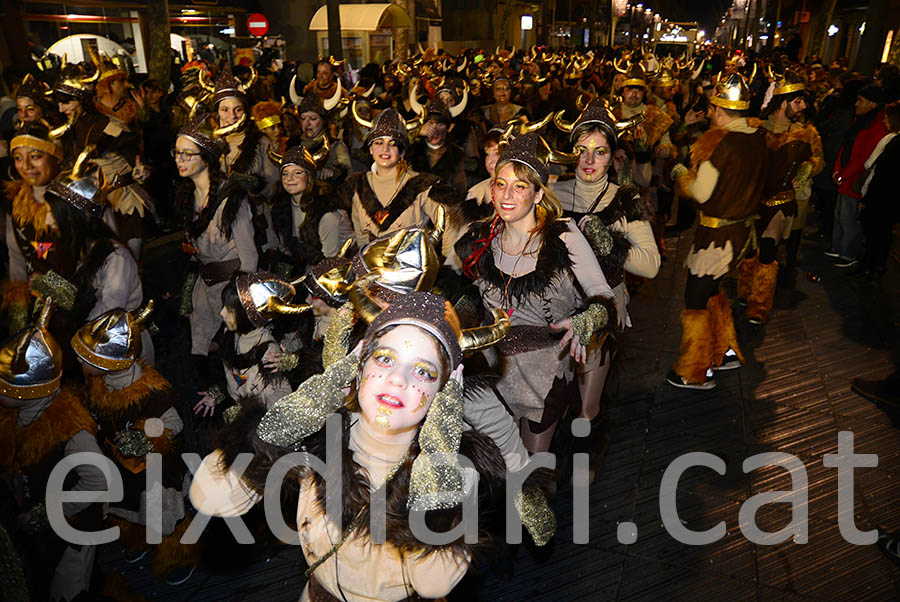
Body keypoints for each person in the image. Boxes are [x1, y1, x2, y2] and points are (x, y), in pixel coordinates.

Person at [189, 291, 552, 601]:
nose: (397, 379)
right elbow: (210, 497)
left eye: (423, 371)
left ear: (443, 394)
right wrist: (300, 412)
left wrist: (438, 467)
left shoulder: (454, 472)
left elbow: (432, 583)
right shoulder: (321, 434)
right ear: (358, 366)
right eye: (385, 358)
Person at [456, 132, 616, 453]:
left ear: (538, 194)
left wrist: (587, 320)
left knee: (530, 471)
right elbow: (467, 297)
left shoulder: (563, 237)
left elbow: (603, 296)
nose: (507, 195)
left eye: (519, 186)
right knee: (493, 466)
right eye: (501, 184)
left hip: (545, 370)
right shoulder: (481, 239)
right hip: (493, 369)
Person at [551, 99, 660, 433]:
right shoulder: (552, 192)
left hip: (600, 311)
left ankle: (585, 467)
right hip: (555, 308)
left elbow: (652, 266)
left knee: (586, 408)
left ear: (613, 157)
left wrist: (610, 245)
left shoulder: (626, 200)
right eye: (581, 150)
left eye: (598, 152)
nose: (588, 160)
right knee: (550, 400)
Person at [70, 302, 192, 579]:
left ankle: (177, 555)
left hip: (155, 469)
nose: (79, 361)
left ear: (109, 362)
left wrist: (143, 437)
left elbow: (175, 423)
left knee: (162, 514)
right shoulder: (100, 384)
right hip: (122, 463)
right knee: (131, 507)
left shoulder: (150, 391)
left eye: (87, 357)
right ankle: (141, 540)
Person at [0, 301, 106, 601]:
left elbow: (99, 482)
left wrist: (48, 514)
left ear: (29, 389)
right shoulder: (18, 414)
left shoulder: (71, 431)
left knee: (69, 590)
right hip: (43, 527)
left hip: (74, 532)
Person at [669, 70, 768, 390]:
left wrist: (682, 172)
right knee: (712, 291)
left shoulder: (718, 143)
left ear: (721, 112)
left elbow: (700, 193)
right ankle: (725, 352)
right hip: (741, 233)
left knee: (695, 297)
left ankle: (694, 371)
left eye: (714, 110)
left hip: (716, 236)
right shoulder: (758, 137)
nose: (711, 115)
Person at [174, 114, 258, 379]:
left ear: (207, 157)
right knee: (201, 363)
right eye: (177, 153)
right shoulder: (186, 198)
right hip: (204, 291)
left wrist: (235, 306)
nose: (180, 160)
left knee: (229, 366)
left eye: (188, 154)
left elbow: (250, 260)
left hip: (229, 293)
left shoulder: (231, 200)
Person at [738, 71, 823, 324]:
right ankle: (744, 290)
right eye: (798, 101)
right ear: (783, 102)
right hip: (752, 200)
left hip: (780, 201)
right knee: (748, 249)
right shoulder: (755, 128)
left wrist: (810, 166)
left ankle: (759, 305)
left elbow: (817, 161)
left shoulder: (806, 134)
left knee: (767, 251)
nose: (804, 106)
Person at [345, 107, 456, 246]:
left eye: (393, 144)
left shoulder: (421, 185)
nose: (385, 149)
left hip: (410, 266)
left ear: (402, 151)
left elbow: (450, 223)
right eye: (379, 143)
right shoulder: (358, 186)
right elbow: (361, 238)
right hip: (371, 266)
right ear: (371, 149)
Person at [194, 274, 296, 418]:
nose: (221, 313)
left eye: (230, 309)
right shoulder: (231, 335)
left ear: (248, 315)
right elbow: (234, 378)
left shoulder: (269, 353)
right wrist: (218, 393)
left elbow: (275, 403)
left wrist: (243, 417)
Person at [266, 145, 353, 277]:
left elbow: (331, 263)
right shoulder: (281, 209)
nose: (290, 178)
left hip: (335, 274)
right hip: (307, 273)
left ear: (309, 176)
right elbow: (286, 252)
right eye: (285, 173)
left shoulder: (326, 213)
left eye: (297, 172)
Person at [829, 84, 889, 268]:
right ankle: (838, 248)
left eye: (860, 101)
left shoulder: (876, 127)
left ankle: (848, 254)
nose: (856, 104)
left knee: (849, 218)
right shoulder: (862, 121)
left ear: (872, 104)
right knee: (840, 214)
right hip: (845, 177)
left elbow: (863, 158)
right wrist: (838, 170)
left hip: (854, 181)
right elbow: (846, 147)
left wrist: (843, 174)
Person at [199, 64, 280, 198]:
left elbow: (274, 190)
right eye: (225, 110)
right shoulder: (208, 145)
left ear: (246, 112)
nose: (232, 116)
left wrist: (255, 186)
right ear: (217, 113)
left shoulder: (262, 144)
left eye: (238, 109)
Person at [859, 100, 900, 279]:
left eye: (886, 118)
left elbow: (875, 167)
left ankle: (871, 266)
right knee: (883, 234)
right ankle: (876, 266)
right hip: (892, 198)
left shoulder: (892, 141)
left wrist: (868, 197)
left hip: (883, 196)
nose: (883, 121)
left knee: (876, 234)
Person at [291, 88, 350, 185]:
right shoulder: (293, 144)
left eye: (313, 118)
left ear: (323, 121)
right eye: (303, 118)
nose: (307, 123)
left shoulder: (335, 145)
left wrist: (333, 172)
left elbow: (347, 173)